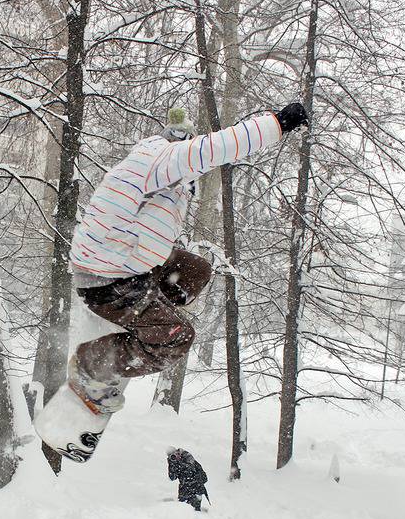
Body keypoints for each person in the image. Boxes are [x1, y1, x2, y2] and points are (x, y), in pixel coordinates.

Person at [65, 103, 309, 414]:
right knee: (176, 339)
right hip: (108, 280)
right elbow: (219, 147)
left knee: (194, 270)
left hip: (123, 263)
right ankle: (90, 367)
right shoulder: (165, 158)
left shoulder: (152, 164)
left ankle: (149, 317)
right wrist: (278, 124)